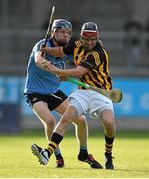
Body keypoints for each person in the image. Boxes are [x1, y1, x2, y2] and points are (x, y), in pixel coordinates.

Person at [31, 22, 115, 169]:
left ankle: (108, 154)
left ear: (97, 39)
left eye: (92, 40)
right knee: (67, 118)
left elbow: (78, 72)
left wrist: (58, 71)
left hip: (100, 93)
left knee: (108, 122)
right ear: (81, 37)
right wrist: (47, 49)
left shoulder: (98, 53)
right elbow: (60, 52)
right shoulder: (76, 45)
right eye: (86, 40)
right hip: (83, 92)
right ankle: (48, 153)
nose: (89, 43)